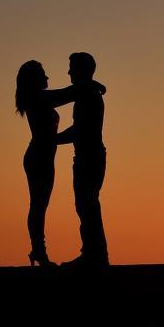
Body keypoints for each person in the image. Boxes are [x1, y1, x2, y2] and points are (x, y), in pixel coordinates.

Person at [14, 60, 104, 267]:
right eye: (43, 74)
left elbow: (69, 93)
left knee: (39, 204)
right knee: (38, 205)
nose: (47, 78)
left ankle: (38, 251)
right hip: (38, 157)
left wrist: (92, 85)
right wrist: (93, 85)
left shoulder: (41, 98)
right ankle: (39, 251)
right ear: (35, 80)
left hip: (44, 156)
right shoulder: (38, 99)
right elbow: (68, 93)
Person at [56, 52, 109, 269]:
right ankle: (94, 254)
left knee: (87, 205)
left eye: (72, 68)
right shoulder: (87, 92)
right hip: (89, 156)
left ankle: (94, 256)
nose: (68, 72)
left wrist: (53, 139)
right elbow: (64, 94)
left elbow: (81, 130)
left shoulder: (89, 95)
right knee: (86, 205)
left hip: (90, 157)